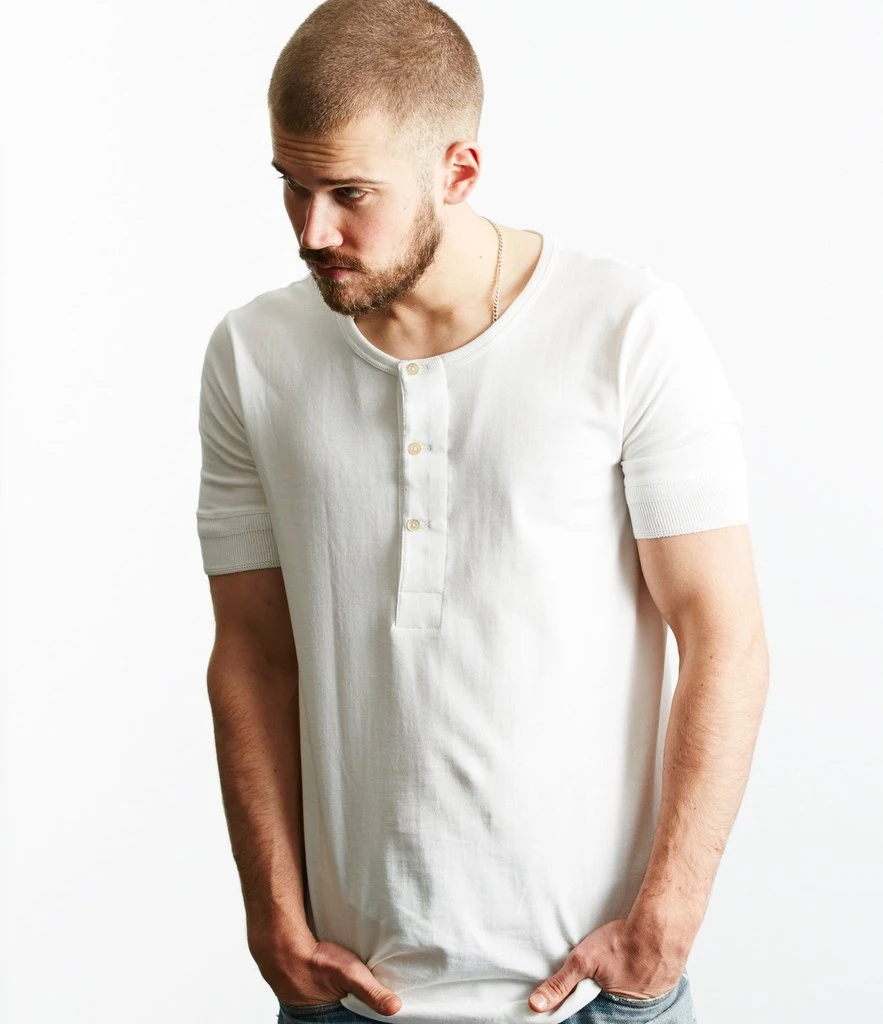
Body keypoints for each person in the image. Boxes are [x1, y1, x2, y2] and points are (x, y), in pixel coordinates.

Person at [194, 2, 770, 1023]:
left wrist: (665, 923)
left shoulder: (626, 330)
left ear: (457, 171)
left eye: (349, 193)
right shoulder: (253, 355)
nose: (312, 231)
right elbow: (250, 652)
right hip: (346, 998)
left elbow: (722, 635)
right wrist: (270, 918)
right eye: (292, 185)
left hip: (592, 997)